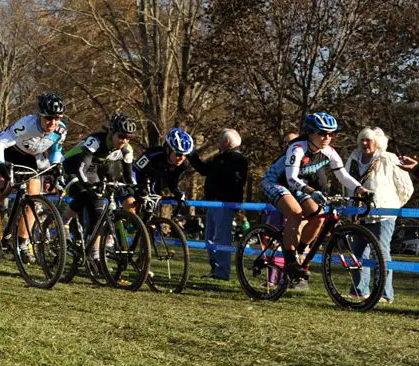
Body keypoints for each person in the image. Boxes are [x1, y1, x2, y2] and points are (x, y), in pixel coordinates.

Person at [261, 112, 371, 285]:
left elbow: (342, 175)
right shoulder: (297, 149)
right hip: (276, 182)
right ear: (311, 132)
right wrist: (311, 191)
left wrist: (360, 189)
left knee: (318, 217)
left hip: (298, 186)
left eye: (332, 133)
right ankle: (289, 261)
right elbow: (291, 178)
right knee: (295, 212)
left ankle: (299, 252)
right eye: (322, 133)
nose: (327, 137)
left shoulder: (329, 152)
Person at [0, 91, 67, 260]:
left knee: (33, 201)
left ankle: (21, 242)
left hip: (32, 158)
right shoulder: (27, 124)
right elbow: (0, 144)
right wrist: (0, 164)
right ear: (40, 115)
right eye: (48, 118)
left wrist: (56, 167)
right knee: (5, 187)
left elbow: (56, 153)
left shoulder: (61, 131)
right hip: (8, 152)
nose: (52, 123)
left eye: (57, 118)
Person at [344, 127, 414, 304]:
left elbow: (406, 187)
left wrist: (392, 206)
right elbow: (346, 183)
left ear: (377, 142)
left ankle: (384, 293)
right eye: (362, 140)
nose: (364, 143)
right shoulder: (353, 159)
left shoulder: (388, 158)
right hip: (358, 213)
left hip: (383, 214)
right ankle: (359, 291)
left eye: (368, 140)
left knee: (381, 254)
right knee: (357, 253)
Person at [61, 112, 137, 253]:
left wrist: (137, 192)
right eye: (121, 136)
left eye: (129, 137)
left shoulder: (127, 150)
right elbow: (81, 168)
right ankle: (64, 222)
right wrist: (89, 187)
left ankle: (95, 254)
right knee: (84, 194)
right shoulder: (95, 141)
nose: (125, 140)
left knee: (98, 213)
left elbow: (128, 178)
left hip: (93, 170)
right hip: (72, 166)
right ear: (112, 132)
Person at [187, 128, 249, 280]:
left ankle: (223, 272)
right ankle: (215, 268)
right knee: (209, 237)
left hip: (224, 205)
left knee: (222, 238)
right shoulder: (220, 159)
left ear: (227, 142)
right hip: (213, 204)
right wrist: (191, 154)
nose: (217, 144)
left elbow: (234, 180)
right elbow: (204, 169)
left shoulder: (237, 160)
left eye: (220, 140)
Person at [134, 128, 194, 207]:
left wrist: (178, 193)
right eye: (178, 154)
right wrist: (134, 187)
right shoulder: (152, 154)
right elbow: (134, 170)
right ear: (168, 149)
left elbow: (173, 183)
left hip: (153, 185)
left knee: (149, 212)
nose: (182, 158)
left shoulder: (182, 165)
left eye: (185, 155)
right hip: (137, 180)